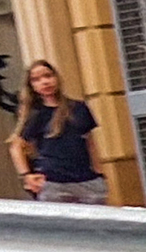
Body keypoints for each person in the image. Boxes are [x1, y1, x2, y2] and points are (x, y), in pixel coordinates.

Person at [7, 61, 108, 206]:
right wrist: (26, 175)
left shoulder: (78, 108)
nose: (45, 82)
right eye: (37, 79)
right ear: (32, 87)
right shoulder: (35, 114)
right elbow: (16, 147)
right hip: (54, 181)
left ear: (56, 77)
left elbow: (90, 142)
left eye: (48, 76)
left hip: (87, 179)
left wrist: (99, 173)